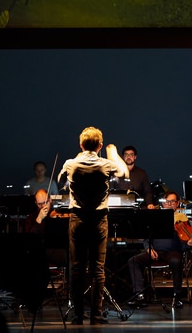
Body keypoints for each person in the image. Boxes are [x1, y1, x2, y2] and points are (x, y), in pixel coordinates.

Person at [57, 127, 129, 326]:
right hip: (99, 220)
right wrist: (113, 152)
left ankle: (78, 316)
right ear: (100, 146)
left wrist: (78, 160)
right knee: (98, 269)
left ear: (80, 145)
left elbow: (60, 180)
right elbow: (123, 172)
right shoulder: (105, 164)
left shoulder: (71, 163)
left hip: (78, 219)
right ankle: (96, 315)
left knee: (77, 269)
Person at [127, 191, 192, 308]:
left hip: (173, 251)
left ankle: (177, 296)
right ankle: (140, 295)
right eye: (166, 202)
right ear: (163, 204)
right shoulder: (154, 217)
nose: (169, 204)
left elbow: (184, 245)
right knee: (133, 261)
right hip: (154, 252)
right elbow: (145, 237)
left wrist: (189, 244)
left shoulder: (182, 219)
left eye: (172, 201)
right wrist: (149, 249)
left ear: (177, 204)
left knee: (176, 261)